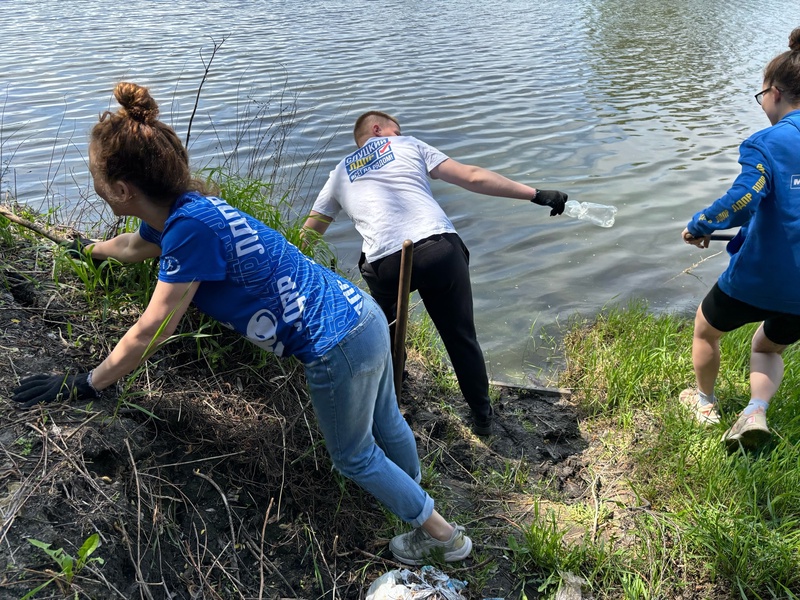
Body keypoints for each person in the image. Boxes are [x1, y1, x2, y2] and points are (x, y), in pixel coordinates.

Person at [10, 82, 472, 566]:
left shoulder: (187, 230)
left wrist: (88, 382)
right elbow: (132, 247)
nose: (93, 181)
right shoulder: (186, 211)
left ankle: (442, 536)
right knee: (386, 420)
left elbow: (154, 328)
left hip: (334, 346)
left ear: (122, 189)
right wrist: (89, 251)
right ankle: (413, 495)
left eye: (95, 175)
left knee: (354, 456)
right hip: (361, 313)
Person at [302, 111, 569, 436]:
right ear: (378, 129)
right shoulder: (408, 145)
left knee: (382, 335)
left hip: (386, 266)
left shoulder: (340, 173)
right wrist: (535, 194)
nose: (400, 134)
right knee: (459, 337)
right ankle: (482, 417)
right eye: (396, 130)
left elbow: (309, 233)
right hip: (438, 250)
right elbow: (471, 176)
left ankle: (389, 401)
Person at [681, 27, 800, 451]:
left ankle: (705, 404)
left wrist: (701, 225)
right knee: (769, 346)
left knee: (705, 331)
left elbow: (744, 199)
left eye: (760, 95)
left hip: (758, 276)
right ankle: (754, 412)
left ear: (774, 93)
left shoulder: (766, 143)